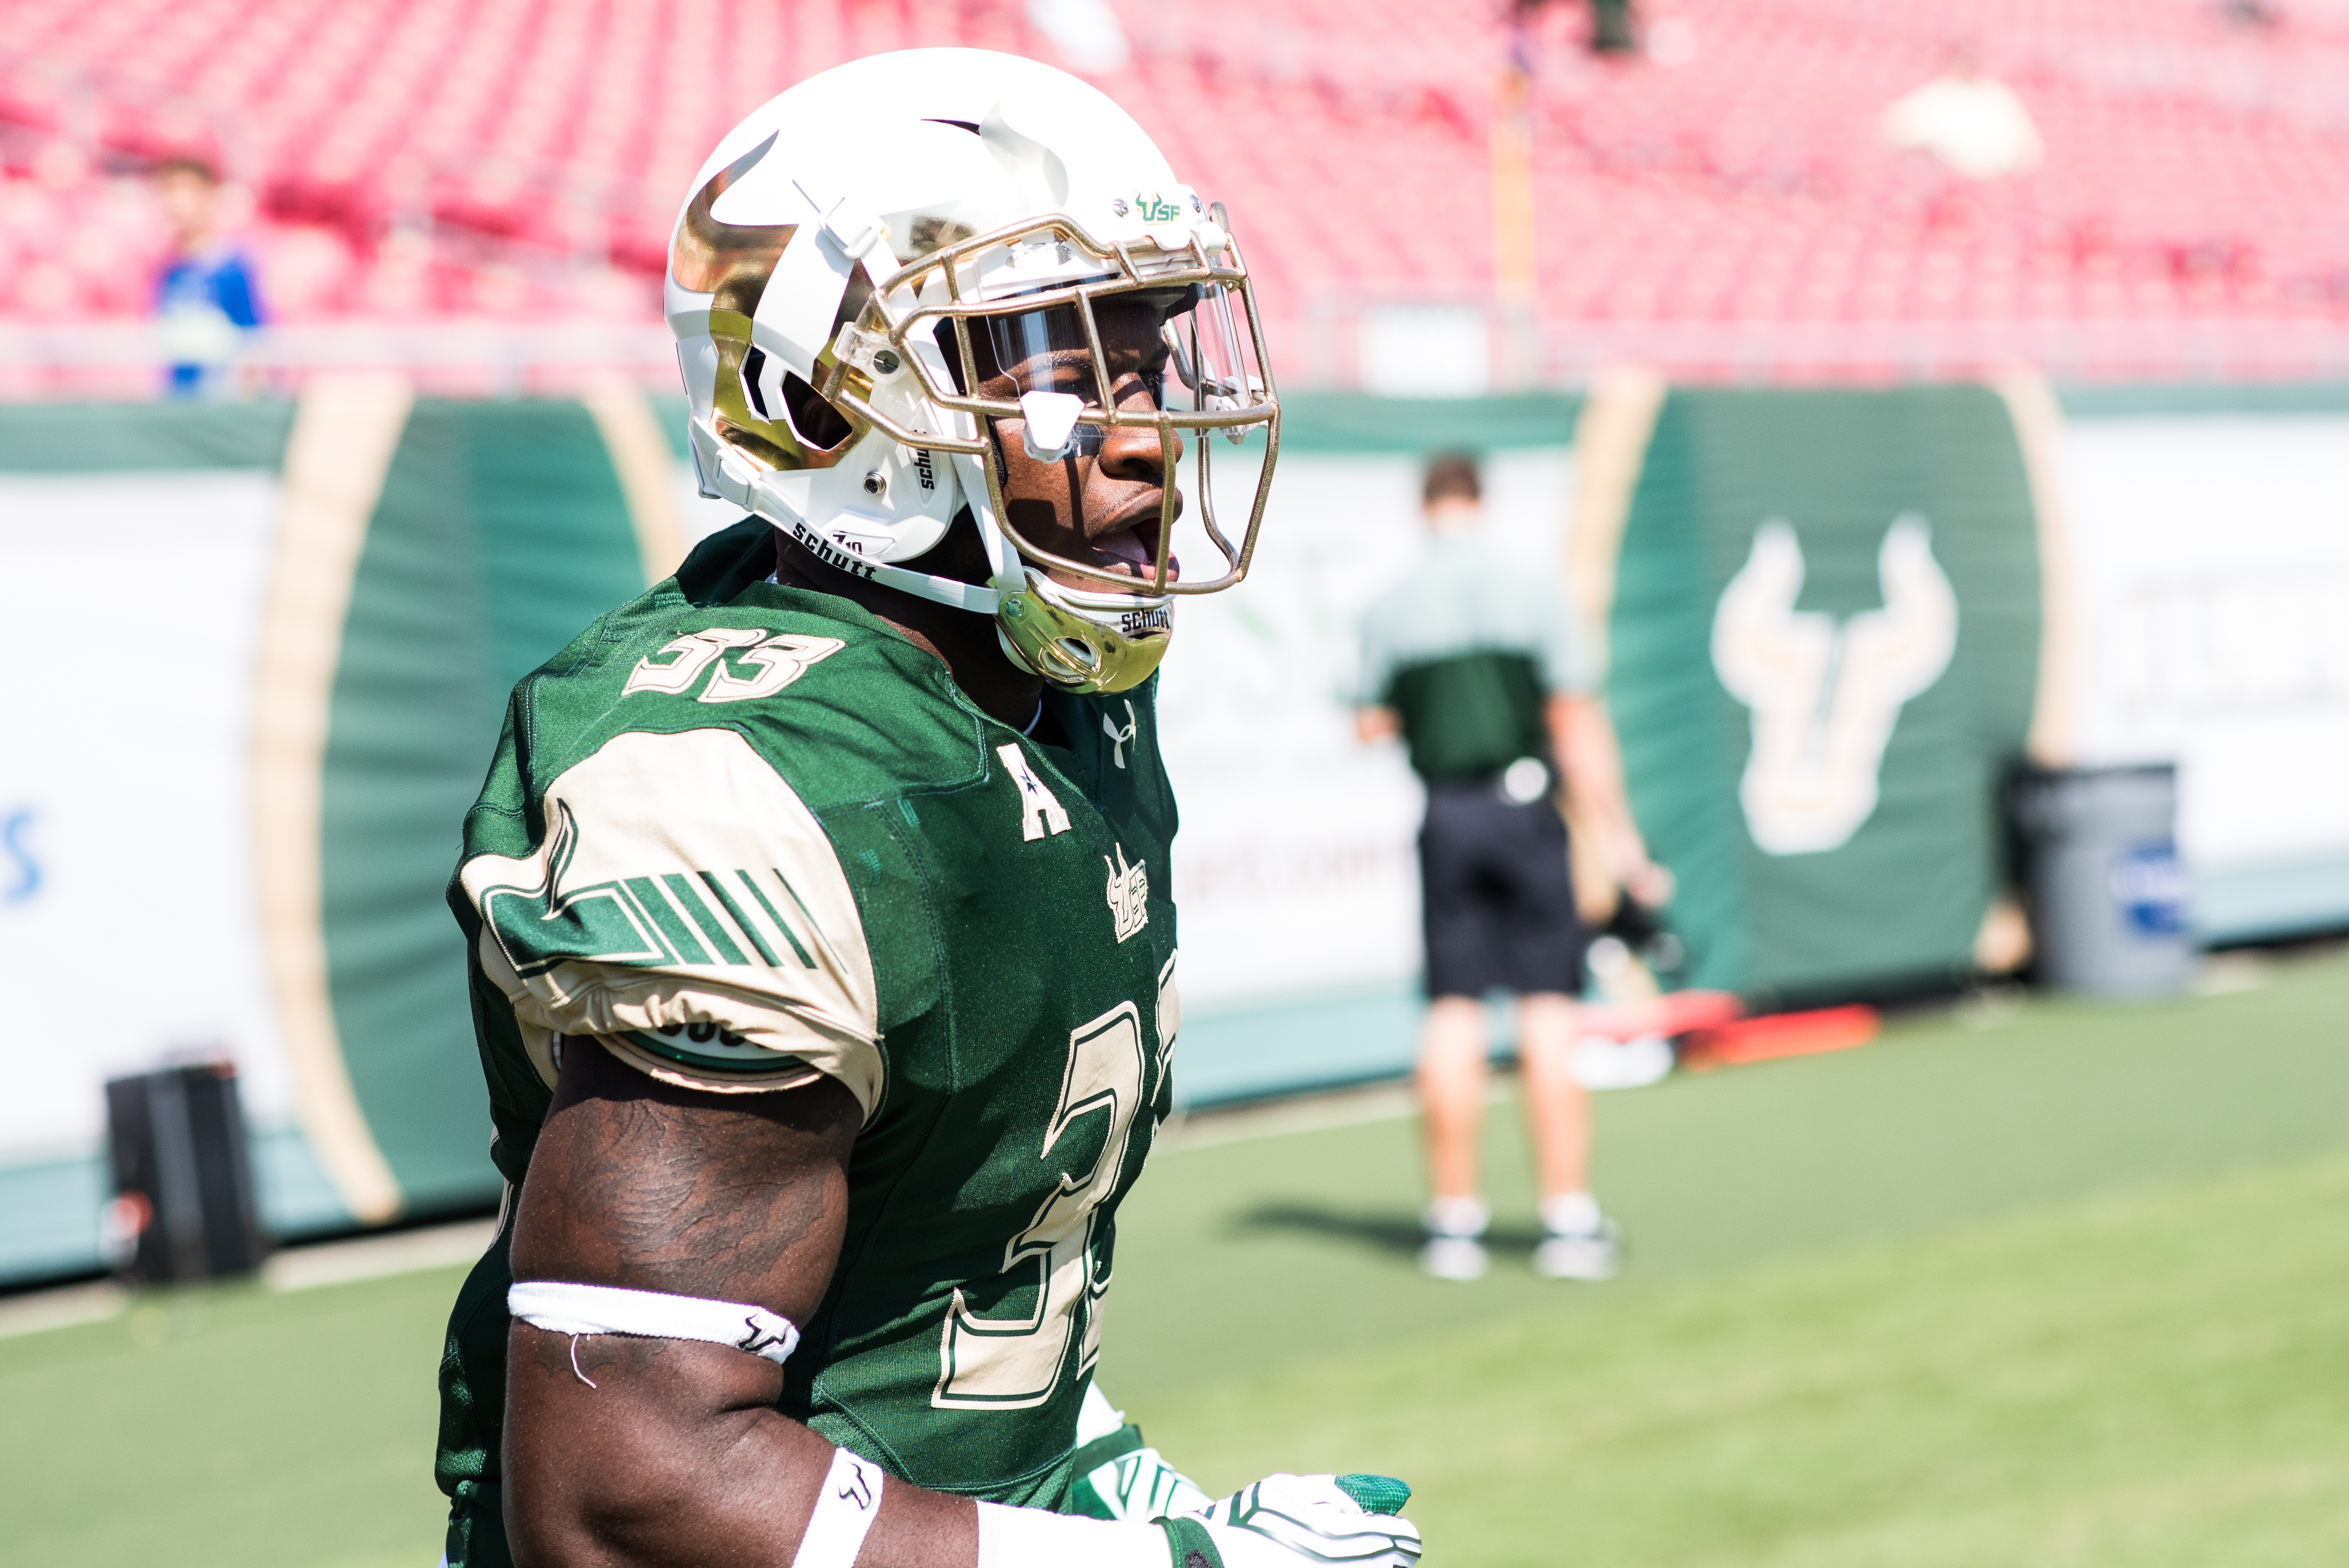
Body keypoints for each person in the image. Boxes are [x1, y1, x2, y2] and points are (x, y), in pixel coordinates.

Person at [430, 49, 1421, 1568]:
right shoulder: (742, 785)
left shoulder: (1052, 687)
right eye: (1058, 359)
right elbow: (626, 1489)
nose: (1145, 425)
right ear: (824, 403)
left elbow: (947, 1302)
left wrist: (1105, 1483)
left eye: (1150, 351)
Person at [1355, 455, 1668, 1282]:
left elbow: (1368, 720)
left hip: (1445, 812)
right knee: (1547, 1012)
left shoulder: (1389, 604)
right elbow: (1576, 724)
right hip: (1523, 808)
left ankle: (1453, 1222)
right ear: (1479, 501)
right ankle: (1566, 1217)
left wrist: (1432, 716)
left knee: (1452, 1013)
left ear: (1424, 504)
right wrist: (1621, 840)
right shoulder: (1532, 591)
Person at [150, 156, 262, 397]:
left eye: (186, 192)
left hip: (218, 404)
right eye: (168, 191)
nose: (175, 204)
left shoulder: (233, 268)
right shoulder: (168, 271)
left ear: (208, 197)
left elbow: (254, 345)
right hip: (179, 402)